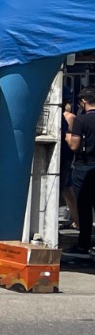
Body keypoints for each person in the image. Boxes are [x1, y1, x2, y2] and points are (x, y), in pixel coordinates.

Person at [65, 89, 95, 253]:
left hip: (84, 166)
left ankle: (83, 244)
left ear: (83, 102)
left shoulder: (81, 120)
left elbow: (74, 145)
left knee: (84, 207)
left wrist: (67, 137)